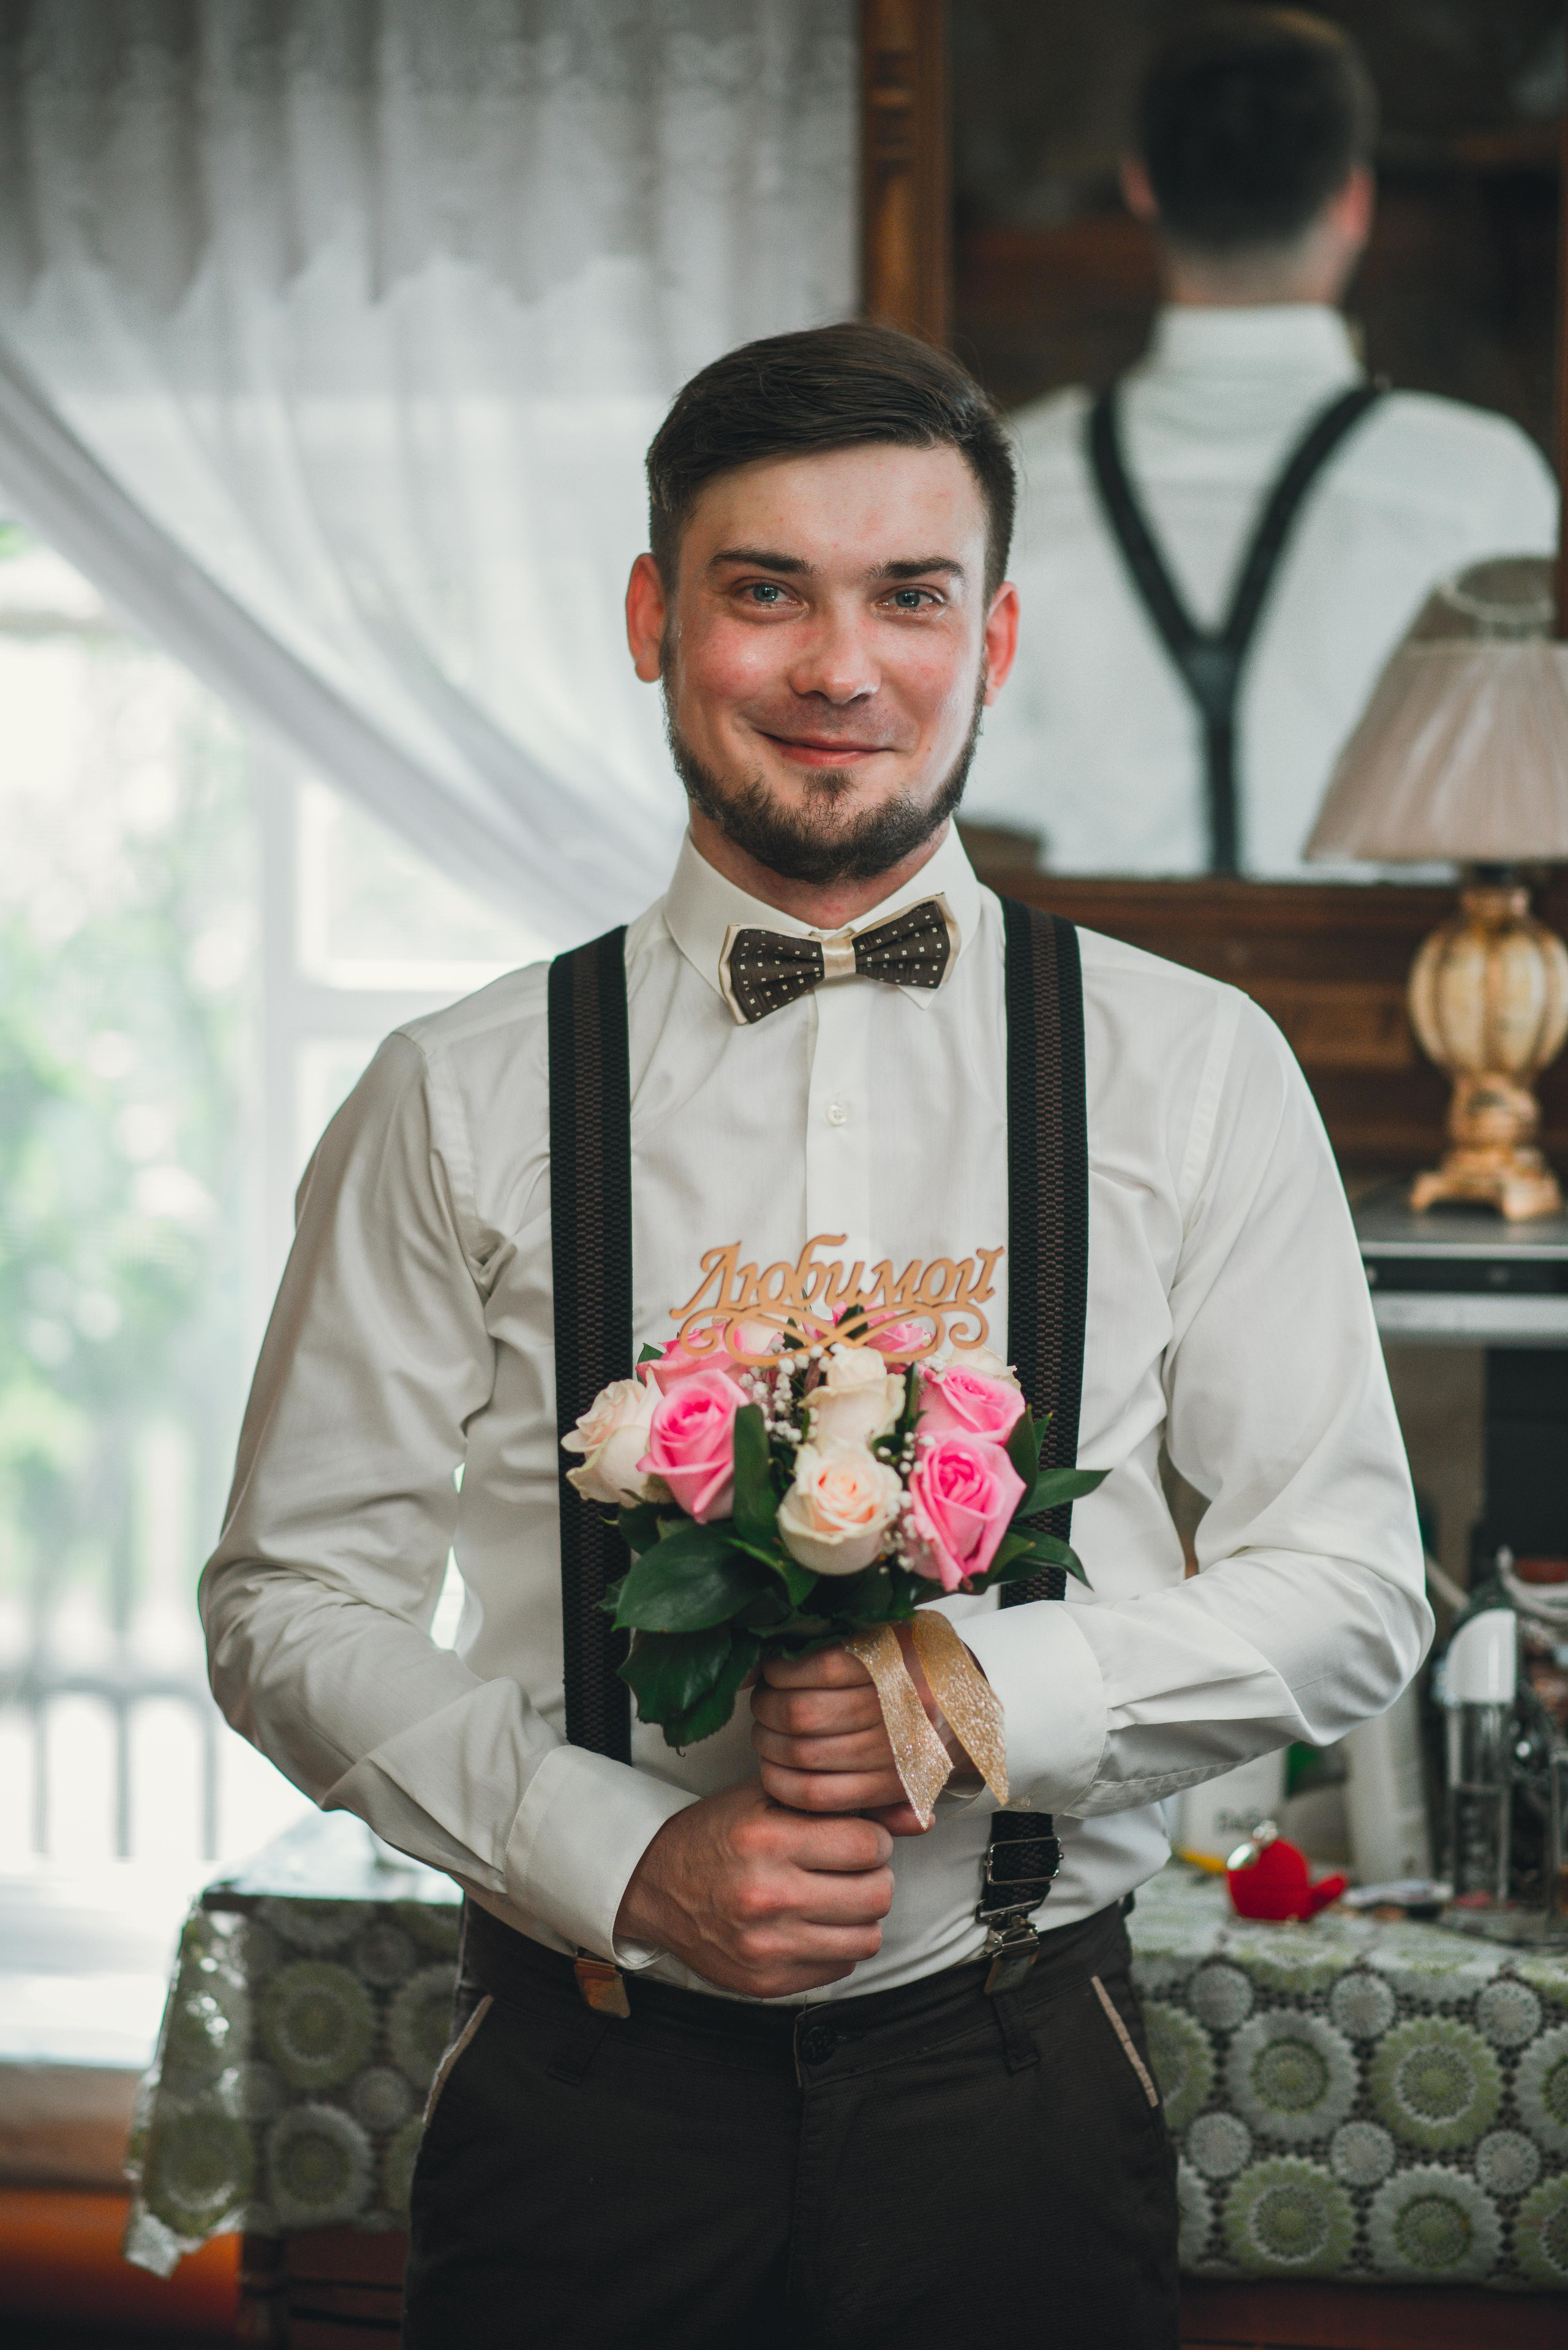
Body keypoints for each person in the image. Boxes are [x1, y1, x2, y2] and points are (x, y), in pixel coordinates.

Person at [200, 321, 1430, 2348]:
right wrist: (616, 1849)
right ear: (652, 615)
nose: (838, 666)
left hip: (1022, 2092)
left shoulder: (1197, 1067)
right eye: (766, 589)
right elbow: (285, 1596)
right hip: (584, 2104)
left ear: (997, 636)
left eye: (907, 596)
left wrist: (982, 1685)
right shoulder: (454, 1086)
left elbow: (1355, 1584)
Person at [966, 4, 1558, 878]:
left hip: (1084, 998)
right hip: (1390, 996)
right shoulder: (1482, 481)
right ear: (1353, 201)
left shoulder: (1011, 480)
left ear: (1142, 187)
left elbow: (968, 778)